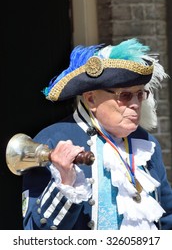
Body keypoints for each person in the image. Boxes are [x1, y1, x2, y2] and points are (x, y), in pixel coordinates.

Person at [22, 38, 172, 230]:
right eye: (125, 95)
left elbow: (167, 217)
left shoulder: (146, 143)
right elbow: (34, 234)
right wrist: (66, 184)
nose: (135, 104)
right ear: (91, 99)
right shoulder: (51, 139)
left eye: (140, 94)